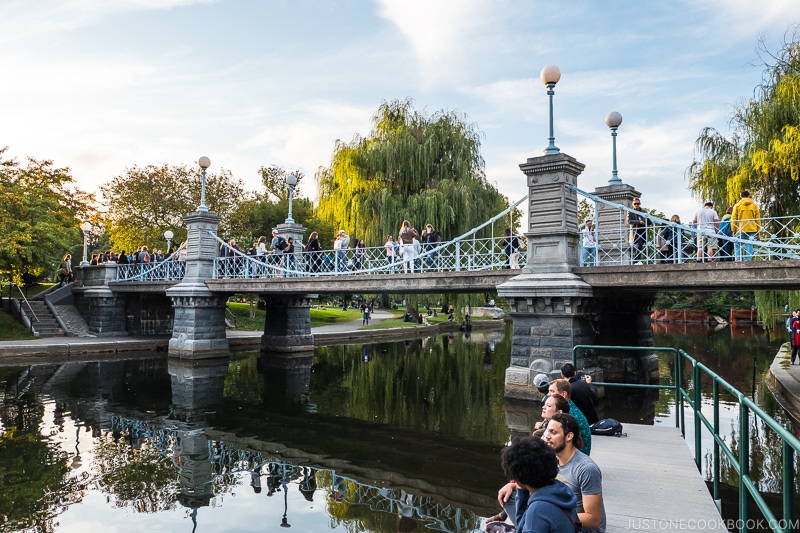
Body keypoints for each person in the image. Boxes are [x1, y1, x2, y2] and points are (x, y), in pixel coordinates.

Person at [495, 413, 606, 533]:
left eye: (553, 432)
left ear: (569, 436)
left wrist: (556, 517)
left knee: (537, 511)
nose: (546, 436)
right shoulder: (553, 460)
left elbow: (594, 520)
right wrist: (513, 485)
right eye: (547, 431)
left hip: (582, 528)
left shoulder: (586, 468)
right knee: (509, 496)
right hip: (560, 509)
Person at [490, 436, 580, 533]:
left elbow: (530, 525)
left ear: (517, 479)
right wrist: (521, 489)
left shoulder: (537, 512)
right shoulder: (561, 489)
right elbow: (521, 526)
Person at [548, 379, 591, 456]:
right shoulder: (570, 407)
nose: (548, 394)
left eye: (552, 391)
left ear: (563, 394)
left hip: (576, 457)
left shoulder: (569, 414)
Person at [731, 190, 761, 261]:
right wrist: (758, 231)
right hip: (752, 228)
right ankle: (748, 259)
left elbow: (733, 219)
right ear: (749, 196)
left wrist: (733, 230)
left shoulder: (737, 205)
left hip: (740, 228)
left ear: (741, 196)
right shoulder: (754, 205)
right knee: (750, 244)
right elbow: (758, 219)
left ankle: (738, 259)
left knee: (737, 244)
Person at [626, 198, 647, 264]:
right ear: (632, 204)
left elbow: (649, 220)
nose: (636, 205)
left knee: (640, 246)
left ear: (640, 204)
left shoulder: (643, 212)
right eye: (635, 204)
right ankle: (637, 260)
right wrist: (639, 222)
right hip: (635, 231)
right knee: (639, 243)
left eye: (638, 203)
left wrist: (646, 223)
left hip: (643, 231)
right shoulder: (630, 211)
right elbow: (628, 221)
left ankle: (636, 260)